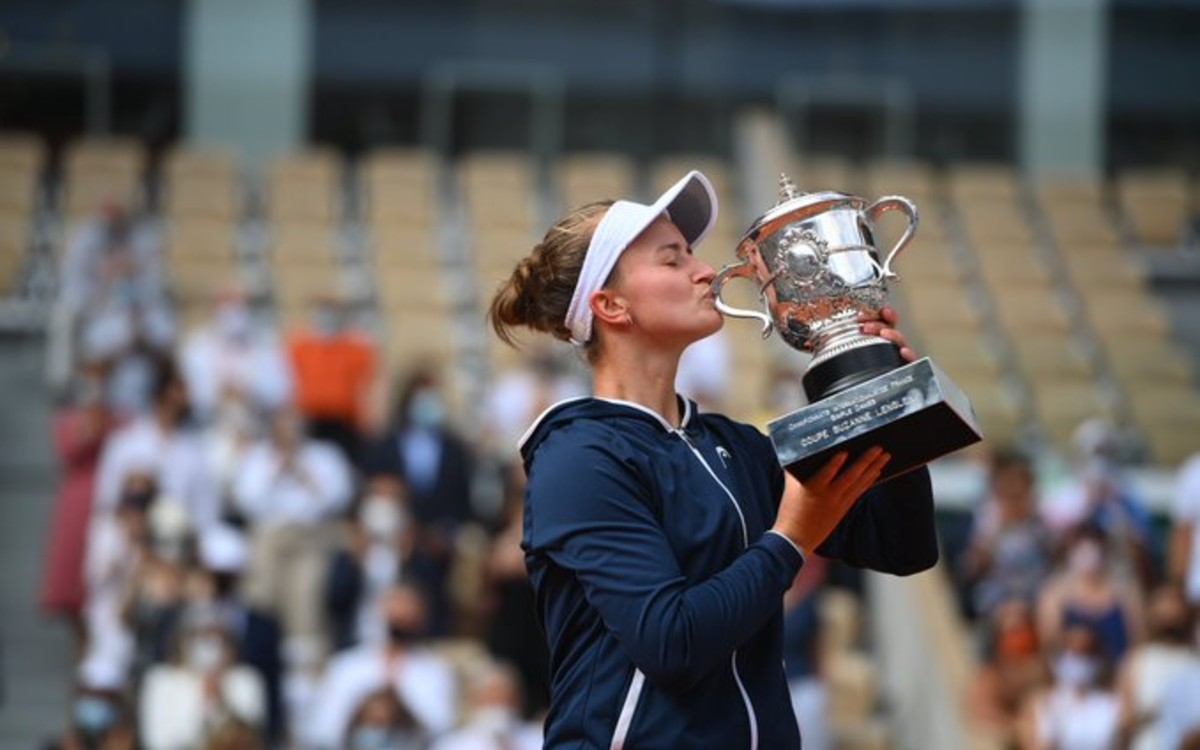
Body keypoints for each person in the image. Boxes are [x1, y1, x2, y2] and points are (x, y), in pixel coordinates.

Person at [485, 170, 938, 748]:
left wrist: (880, 396)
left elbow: (903, 547)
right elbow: (671, 643)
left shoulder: (736, 444)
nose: (704, 270)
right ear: (611, 304)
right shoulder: (578, 455)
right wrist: (790, 540)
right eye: (672, 260)